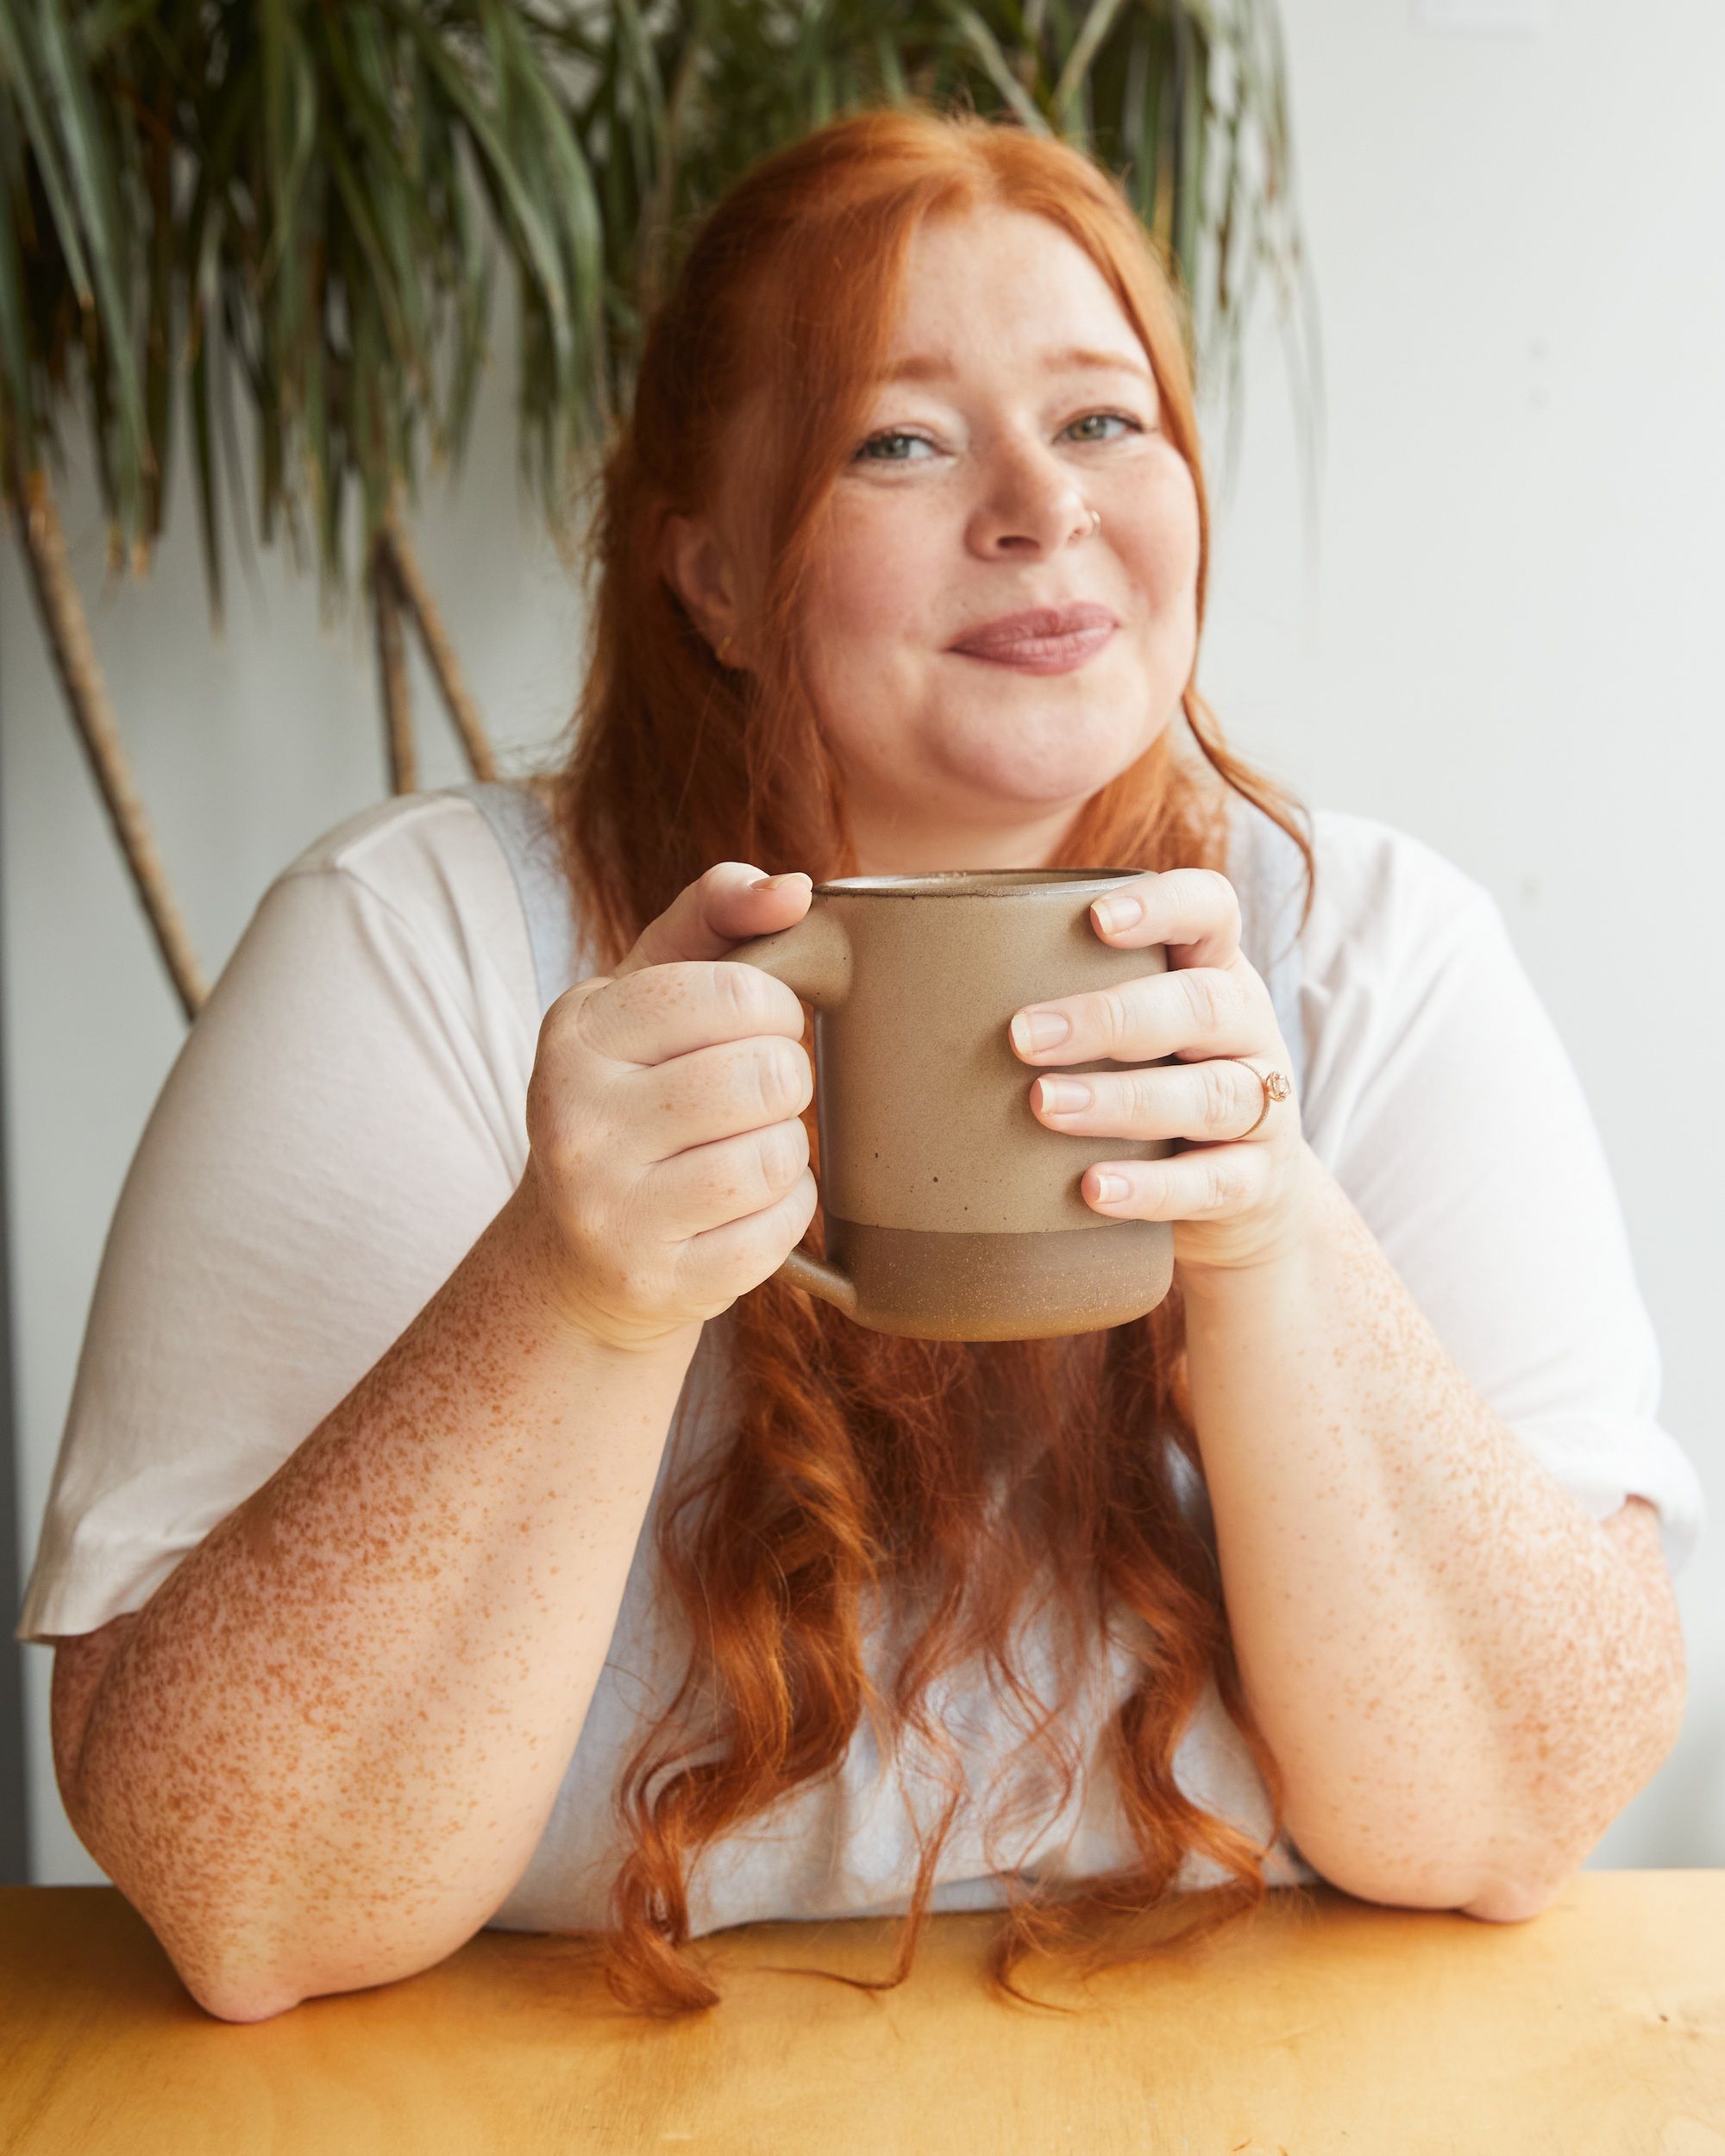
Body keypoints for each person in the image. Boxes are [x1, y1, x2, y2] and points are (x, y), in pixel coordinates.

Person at [17, 104, 1703, 2026]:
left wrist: (1264, 1227)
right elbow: (238, 1890)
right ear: (712, 577)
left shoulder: (1374, 955)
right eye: (899, 438)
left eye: (1102, 420)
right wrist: (565, 1292)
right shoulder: (420, 951)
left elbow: (1517, 1813)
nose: (1040, 506)